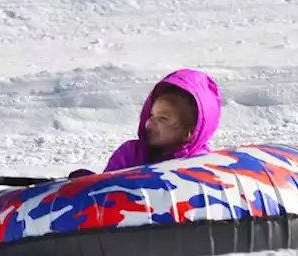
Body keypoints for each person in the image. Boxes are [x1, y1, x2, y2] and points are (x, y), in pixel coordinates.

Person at [68, 69, 222, 177]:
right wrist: (86, 184)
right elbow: (107, 191)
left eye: (162, 119)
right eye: (151, 115)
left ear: (190, 132)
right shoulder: (131, 155)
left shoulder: (200, 167)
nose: (149, 123)